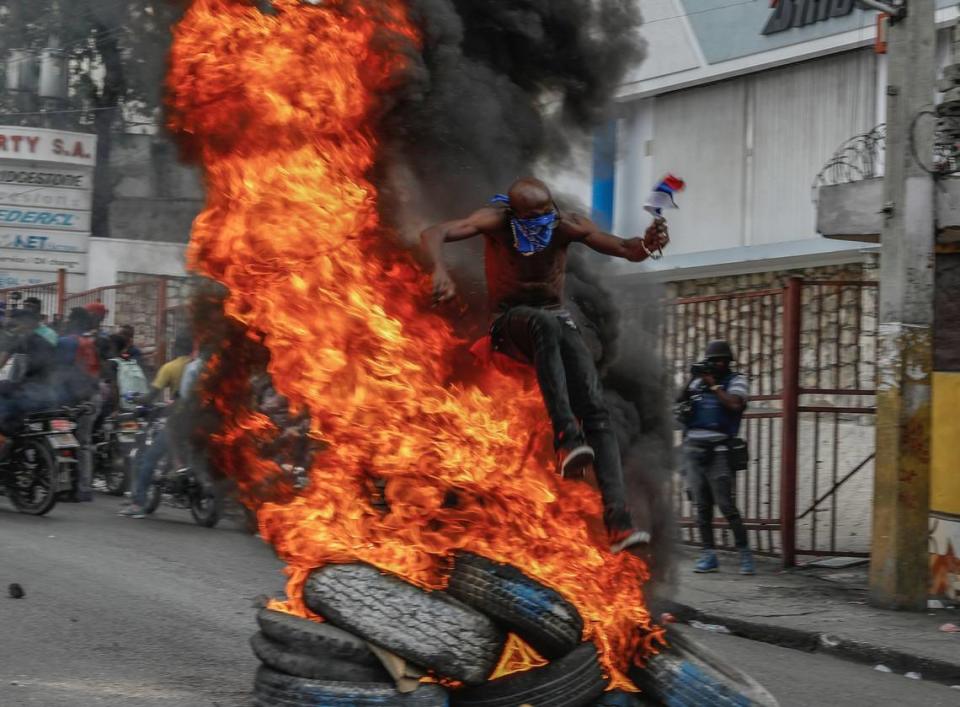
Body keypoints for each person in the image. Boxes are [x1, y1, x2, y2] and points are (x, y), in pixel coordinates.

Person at [420, 177, 670, 554]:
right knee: (546, 322)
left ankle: (618, 522)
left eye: (545, 215)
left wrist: (646, 245)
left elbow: (623, 247)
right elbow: (434, 231)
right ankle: (567, 440)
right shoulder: (495, 221)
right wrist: (439, 269)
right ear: (514, 214)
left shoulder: (564, 225)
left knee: (596, 409)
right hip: (510, 326)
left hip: (554, 320)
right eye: (531, 218)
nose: (541, 223)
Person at [676, 340, 754, 575]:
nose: (718, 364)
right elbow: (677, 401)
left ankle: (745, 554)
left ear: (729, 362)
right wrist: (692, 379)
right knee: (701, 506)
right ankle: (708, 555)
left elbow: (734, 404)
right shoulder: (699, 381)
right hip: (693, 450)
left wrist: (713, 385)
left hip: (719, 451)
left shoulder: (736, 380)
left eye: (722, 360)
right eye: (713, 360)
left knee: (726, 505)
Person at [120, 333, 194, 519]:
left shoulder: (170, 368)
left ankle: (138, 504)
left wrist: (135, 398)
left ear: (175, 348)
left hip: (179, 420)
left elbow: (150, 396)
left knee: (149, 459)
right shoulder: (198, 367)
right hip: (201, 420)